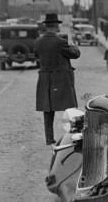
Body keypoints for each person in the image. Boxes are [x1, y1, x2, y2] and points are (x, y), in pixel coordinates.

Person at [34, 13, 81, 145]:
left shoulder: (38, 41)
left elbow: (36, 55)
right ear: (56, 26)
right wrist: (72, 45)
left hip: (44, 79)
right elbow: (75, 54)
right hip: (61, 79)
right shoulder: (61, 42)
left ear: (46, 26)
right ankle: (74, 135)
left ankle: (49, 138)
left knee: (47, 110)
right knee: (70, 108)